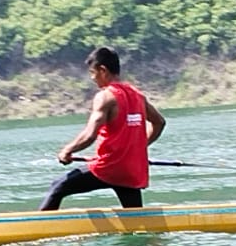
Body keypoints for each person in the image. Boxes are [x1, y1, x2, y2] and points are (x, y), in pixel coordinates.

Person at [41, 46, 166, 211]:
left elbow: (89, 135)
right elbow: (159, 123)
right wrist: (137, 148)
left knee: (58, 186)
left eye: (93, 73)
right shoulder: (138, 96)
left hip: (109, 168)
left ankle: (34, 227)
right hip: (131, 170)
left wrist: (67, 150)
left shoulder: (106, 97)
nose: (93, 78)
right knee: (135, 216)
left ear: (103, 70)